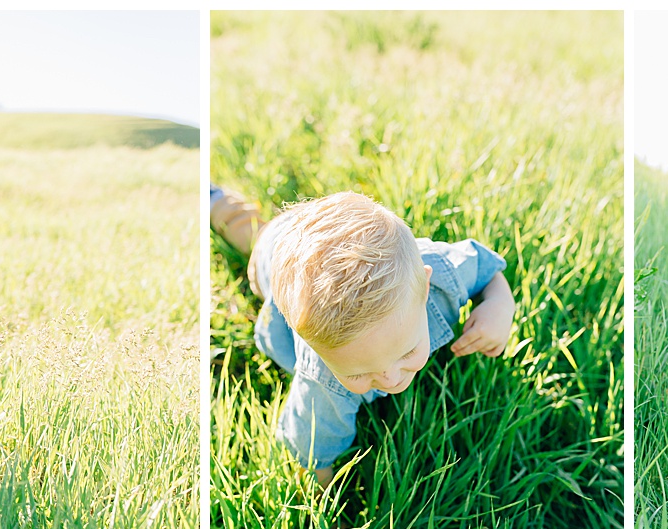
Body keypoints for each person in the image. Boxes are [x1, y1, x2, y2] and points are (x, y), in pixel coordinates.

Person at [212, 186, 516, 487]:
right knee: (252, 234)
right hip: (274, 250)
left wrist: (499, 305)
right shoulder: (321, 380)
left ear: (425, 287)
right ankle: (213, 199)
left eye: (406, 353)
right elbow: (310, 453)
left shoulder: (439, 270)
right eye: (359, 372)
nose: (390, 378)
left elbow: (486, 269)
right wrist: (322, 506)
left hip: (323, 243)